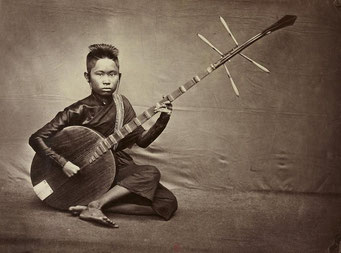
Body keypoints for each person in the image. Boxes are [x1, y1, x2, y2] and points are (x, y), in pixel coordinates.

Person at [29, 44, 178, 228]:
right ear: (88, 77)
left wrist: (163, 118)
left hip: (113, 167)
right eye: (99, 74)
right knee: (151, 176)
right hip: (80, 175)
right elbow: (36, 138)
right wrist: (63, 163)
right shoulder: (78, 110)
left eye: (112, 74)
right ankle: (95, 204)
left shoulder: (122, 104)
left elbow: (142, 141)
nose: (106, 80)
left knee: (167, 202)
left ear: (119, 77)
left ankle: (94, 204)